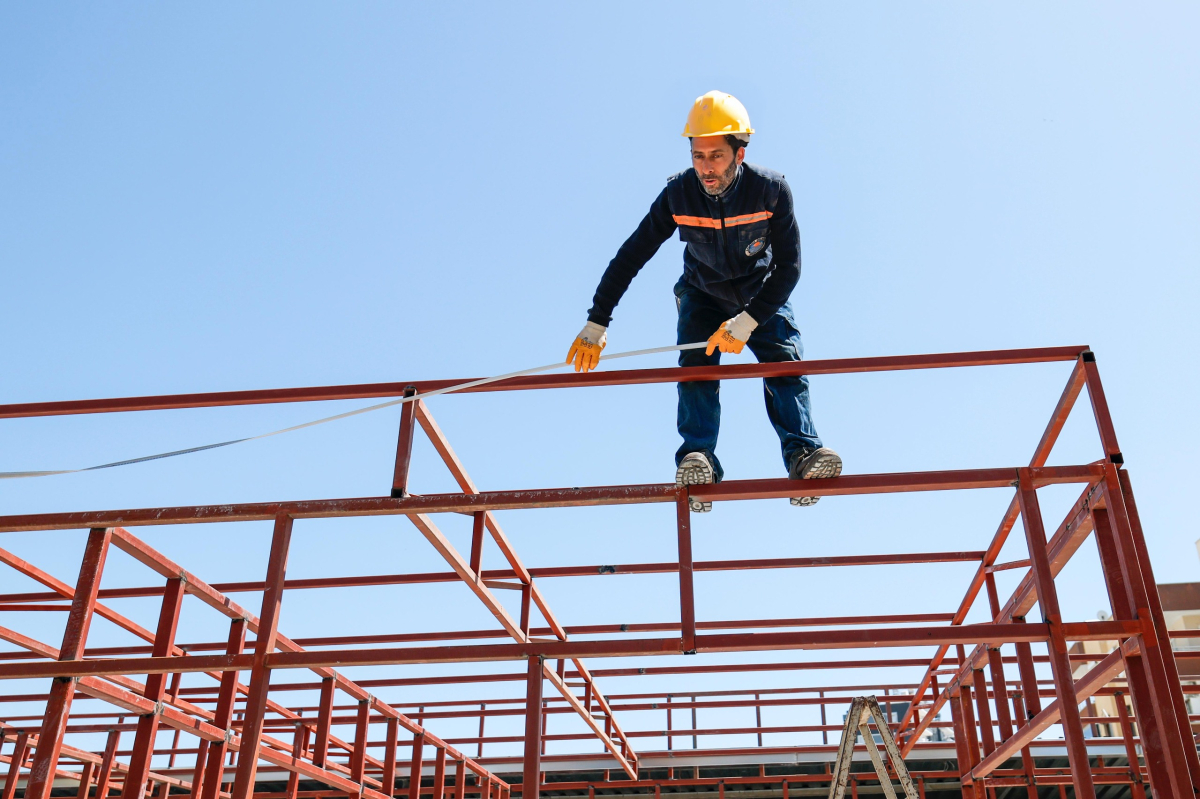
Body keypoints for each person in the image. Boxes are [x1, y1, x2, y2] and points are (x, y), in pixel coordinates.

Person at [566, 91, 841, 513]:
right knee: (695, 370)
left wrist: (749, 321)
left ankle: (803, 456)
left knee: (784, 363)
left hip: (760, 293)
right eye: (698, 155)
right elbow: (630, 256)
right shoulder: (678, 195)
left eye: (715, 155)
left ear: (739, 153)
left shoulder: (771, 191)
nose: (705, 167)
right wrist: (596, 322)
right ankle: (699, 460)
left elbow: (790, 269)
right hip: (702, 292)